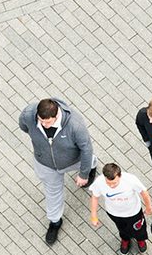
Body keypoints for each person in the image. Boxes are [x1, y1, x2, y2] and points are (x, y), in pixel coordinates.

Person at [21, 98, 96, 244]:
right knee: (52, 193)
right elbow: (24, 127)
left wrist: (83, 174)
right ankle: (55, 221)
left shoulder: (75, 125)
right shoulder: (28, 114)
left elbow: (86, 149)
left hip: (73, 160)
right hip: (46, 164)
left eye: (47, 122)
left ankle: (92, 167)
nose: (43, 125)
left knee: (89, 159)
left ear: (57, 116)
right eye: (40, 120)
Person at [87, 162, 152, 253]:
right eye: (109, 183)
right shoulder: (99, 182)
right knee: (121, 228)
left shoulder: (130, 179)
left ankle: (140, 240)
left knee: (139, 228)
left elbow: (144, 192)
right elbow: (95, 197)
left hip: (134, 212)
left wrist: (148, 207)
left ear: (120, 176)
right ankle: (125, 239)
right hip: (114, 213)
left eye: (115, 183)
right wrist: (93, 216)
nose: (112, 186)